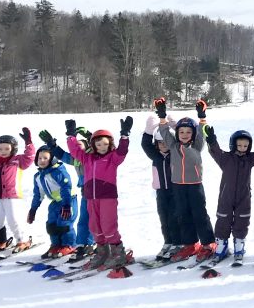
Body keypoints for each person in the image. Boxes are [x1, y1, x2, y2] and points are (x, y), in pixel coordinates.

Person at [62, 117, 133, 270]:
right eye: (98, 144)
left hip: (107, 197)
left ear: (110, 145)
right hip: (90, 197)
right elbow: (75, 150)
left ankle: (117, 253)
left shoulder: (113, 158)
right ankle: (102, 253)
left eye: (105, 144)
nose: (101, 147)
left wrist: (125, 135)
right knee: (94, 227)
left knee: (108, 227)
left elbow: (122, 151)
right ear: (93, 144)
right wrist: (70, 136)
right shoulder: (87, 158)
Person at [204, 124, 254, 264]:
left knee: (242, 221)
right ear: (233, 144)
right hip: (226, 197)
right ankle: (221, 247)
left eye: (245, 146)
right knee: (223, 220)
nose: (243, 148)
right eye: (240, 145)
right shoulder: (225, 159)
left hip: (244, 197)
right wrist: (211, 139)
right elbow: (215, 151)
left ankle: (239, 246)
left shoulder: (249, 160)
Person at [156, 98, 215, 261]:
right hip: (178, 186)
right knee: (183, 215)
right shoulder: (173, 145)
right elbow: (164, 132)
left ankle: (209, 242)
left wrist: (202, 117)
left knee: (199, 214)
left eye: (188, 132)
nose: (184, 135)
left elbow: (202, 132)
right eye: (181, 132)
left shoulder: (197, 146)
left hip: (195, 185)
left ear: (193, 134)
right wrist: (162, 116)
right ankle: (190, 243)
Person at [38, 127, 93, 260]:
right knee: (83, 221)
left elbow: (99, 145)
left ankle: (94, 244)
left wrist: (89, 136)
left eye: (80, 145)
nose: (77, 148)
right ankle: (82, 245)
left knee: (94, 220)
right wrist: (52, 144)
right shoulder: (76, 160)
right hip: (86, 192)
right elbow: (61, 154)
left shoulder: (92, 157)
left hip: (98, 193)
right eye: (76, 146)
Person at [140, 115, 184, 262]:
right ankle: (168, 242)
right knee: (163, 218)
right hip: (161, 191)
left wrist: (172, 124)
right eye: (160, 143)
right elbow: (145, 144)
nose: (164, 145)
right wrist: (149, 130)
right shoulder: (155, 156)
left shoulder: (176, 154)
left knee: (174, 218)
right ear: (156, 144)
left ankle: (177, 243)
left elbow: (183, 140)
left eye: (166, 142)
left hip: (175, 191)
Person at [28, 146, 77, 259]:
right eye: (39, 158)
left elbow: (66, 188)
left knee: (64, 223)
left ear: (52, 159)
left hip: (68, 201)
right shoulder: (38, 177)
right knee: (51, 224)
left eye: (45, 158)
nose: (42, 161)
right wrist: (33, 209)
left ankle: (69, 245)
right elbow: (38, 195)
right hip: (55, 203)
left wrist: (66, 204)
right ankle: (56, 245)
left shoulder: (58, 171)